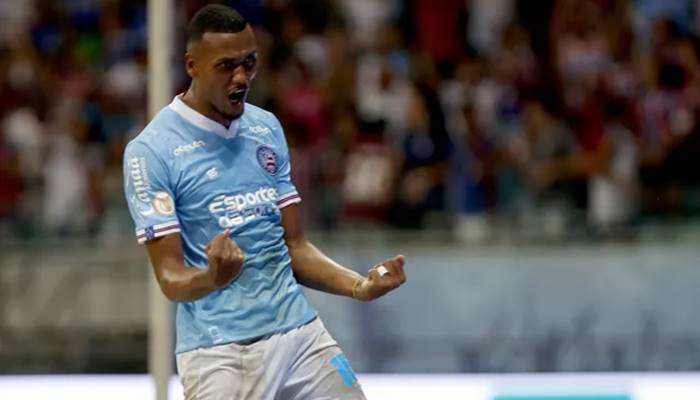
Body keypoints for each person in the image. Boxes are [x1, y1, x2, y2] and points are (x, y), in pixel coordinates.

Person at [122, 5, 406, 400]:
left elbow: (295, 246)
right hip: (221, 351)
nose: (241, 77)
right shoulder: (152, 151)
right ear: (192, 65)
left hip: (300, 334)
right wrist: (212, 276)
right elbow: (169, 277)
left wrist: (358, 285)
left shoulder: (265, 127)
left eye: (249, 63)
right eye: (226, 66)